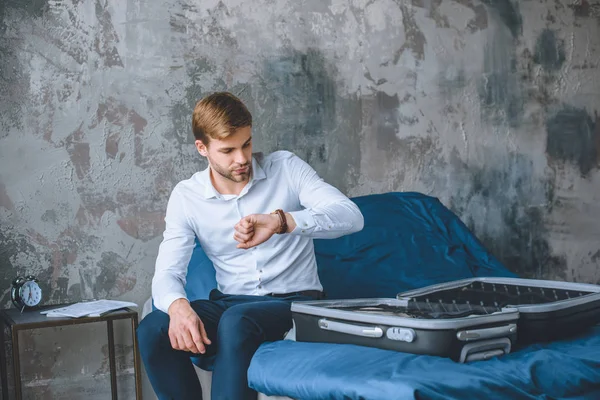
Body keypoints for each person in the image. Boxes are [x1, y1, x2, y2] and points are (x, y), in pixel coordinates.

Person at [137, 92, 364, 400]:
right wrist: (178, 307)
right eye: (228, 150)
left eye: (246, 144)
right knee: (153, 328)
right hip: (230, 302)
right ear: (202, 148)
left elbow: (351, 217)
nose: (242, 158)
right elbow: (167, 271)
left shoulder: (286, 168)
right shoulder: (187, 196)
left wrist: (282, 222)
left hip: (295, 303)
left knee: (236, 322)